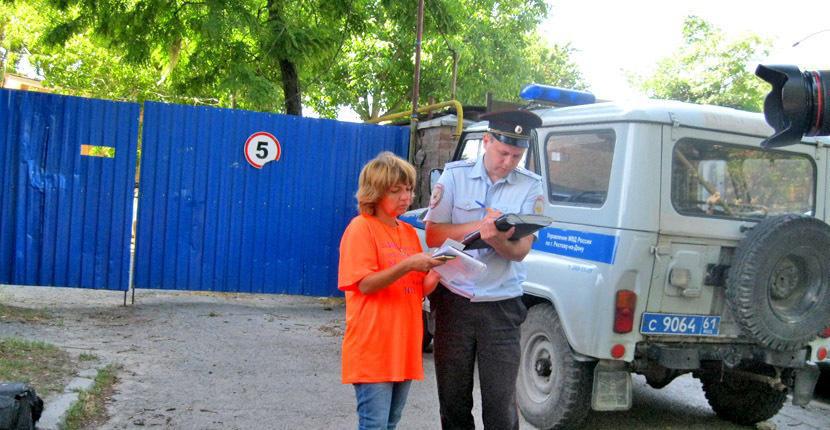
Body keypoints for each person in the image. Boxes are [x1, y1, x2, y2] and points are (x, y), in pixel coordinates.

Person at [424, 110, 545, 429]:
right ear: (487, 141)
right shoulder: (454, 177)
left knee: (500, 405)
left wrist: (497, 240)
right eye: (503, 152)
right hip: (453, 301)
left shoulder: (531, 187)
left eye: (516, 156)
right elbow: (434, 234)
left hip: (501, 306)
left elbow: (520, 252)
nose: (508, 162)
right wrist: (479, 226)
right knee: (453, 401)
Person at [338, 151, 446, 430]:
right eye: (396, 191)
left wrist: (438, 271)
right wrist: (408, 264)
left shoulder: (408, 232)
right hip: (373, 346)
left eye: (408, 189)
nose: (405, 197)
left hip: (404, 345)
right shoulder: (360, 228)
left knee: (390, 424)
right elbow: (364, 284)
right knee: (374, 425)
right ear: (374, 192)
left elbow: (416, 289)